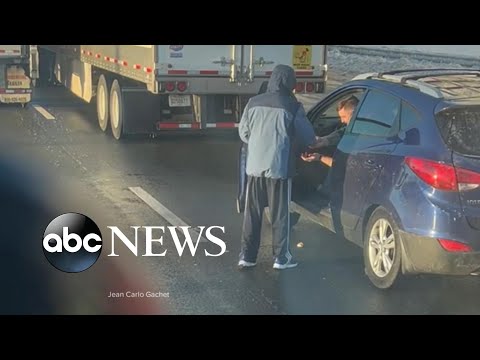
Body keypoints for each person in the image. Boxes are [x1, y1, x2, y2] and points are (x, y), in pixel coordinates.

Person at [237, 64, 320, 270]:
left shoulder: (253, 102)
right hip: (279, 168)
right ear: (290, 83)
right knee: (280, 214)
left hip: (254, 167)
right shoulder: (292, 106)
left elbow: (244, 134)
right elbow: (308, 137)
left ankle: (247, 256)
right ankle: (281, 258)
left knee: (252, 214)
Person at [237, 81, 269, 214]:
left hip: (254, 162)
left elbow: (243, 133)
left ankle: (243, 197)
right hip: (278, 164)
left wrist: (255, 142)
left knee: (245, 152)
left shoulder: (252, 104)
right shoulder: (289, 105)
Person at [302, 95, 359, 166]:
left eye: (344, 117)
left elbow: (342, 166)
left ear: (355, 115)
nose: (342, 121)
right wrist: (324, 140)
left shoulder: (362, 136)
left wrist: (320, 158)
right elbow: (343, 132)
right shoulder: (357, 128)